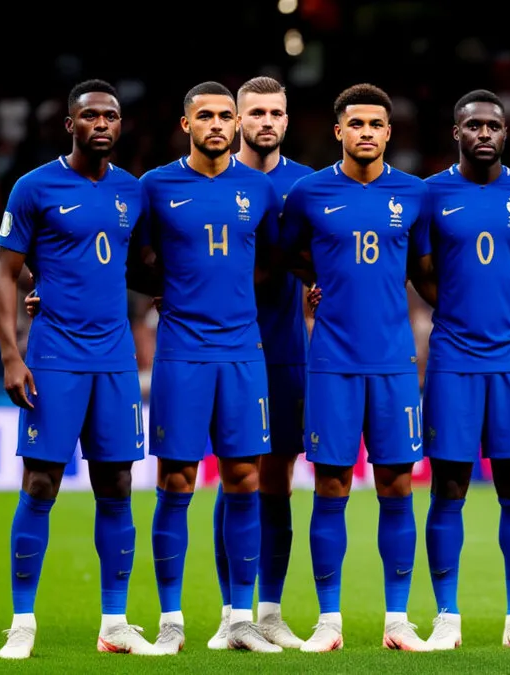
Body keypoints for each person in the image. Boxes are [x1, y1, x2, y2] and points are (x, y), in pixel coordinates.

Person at [0, 79, 157, 658]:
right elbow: (4, 272)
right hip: (54, 358)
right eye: (90, 116)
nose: (102, 123)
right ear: (71, 125)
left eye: (111, 115)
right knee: (41, 482)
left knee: (117, 485)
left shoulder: (133, 191)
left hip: (115, 360)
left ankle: (115, 624)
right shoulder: (34, 187)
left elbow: (142, 266)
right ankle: (22, 622)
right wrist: (11, 354)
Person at [280, 83, 431, 652]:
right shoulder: (308, 193)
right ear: (339, 130)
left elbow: (425, 268)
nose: (366, 132)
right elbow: (287, 252)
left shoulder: (414, 194)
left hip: (394, 362)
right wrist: (313, 280)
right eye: (356, 124)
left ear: (389, 132)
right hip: (332, 362)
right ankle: (329, 622)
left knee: (397, 485)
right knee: (331, 484)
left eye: (376, 124)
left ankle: (397, 621)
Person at [410, 89, 510, 650]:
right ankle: (447, 618)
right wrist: (454, 309)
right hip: (453, 358)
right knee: (448, 486)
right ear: (457, 133)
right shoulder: (430, 194)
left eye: (494, 125)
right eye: (474, 126)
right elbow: (418, 267)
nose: (485, 134)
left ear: (505, 133)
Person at [142, 81, 282, 654]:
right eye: (207, 116)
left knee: (245, 478)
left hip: (244, 351)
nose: (218, 124)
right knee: (176, 481)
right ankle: (171, 621)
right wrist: (168, 290)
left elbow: (273, 259)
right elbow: (129, 257)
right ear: (187, 124)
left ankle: (240, 619)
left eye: (227, 116)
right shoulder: (155, 186)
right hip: (182, 351)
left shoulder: (259, 188)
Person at [205, 75, 315, 651]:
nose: (265, 121)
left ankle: (268, 612)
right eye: (256, 113)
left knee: (278, 479)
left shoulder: (308, 185)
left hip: (285, 350)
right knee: (234, 474)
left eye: (275, 113)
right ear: (237, 119)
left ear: (286, 120)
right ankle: (232, 613)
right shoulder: (213, 179)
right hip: (222, 349)